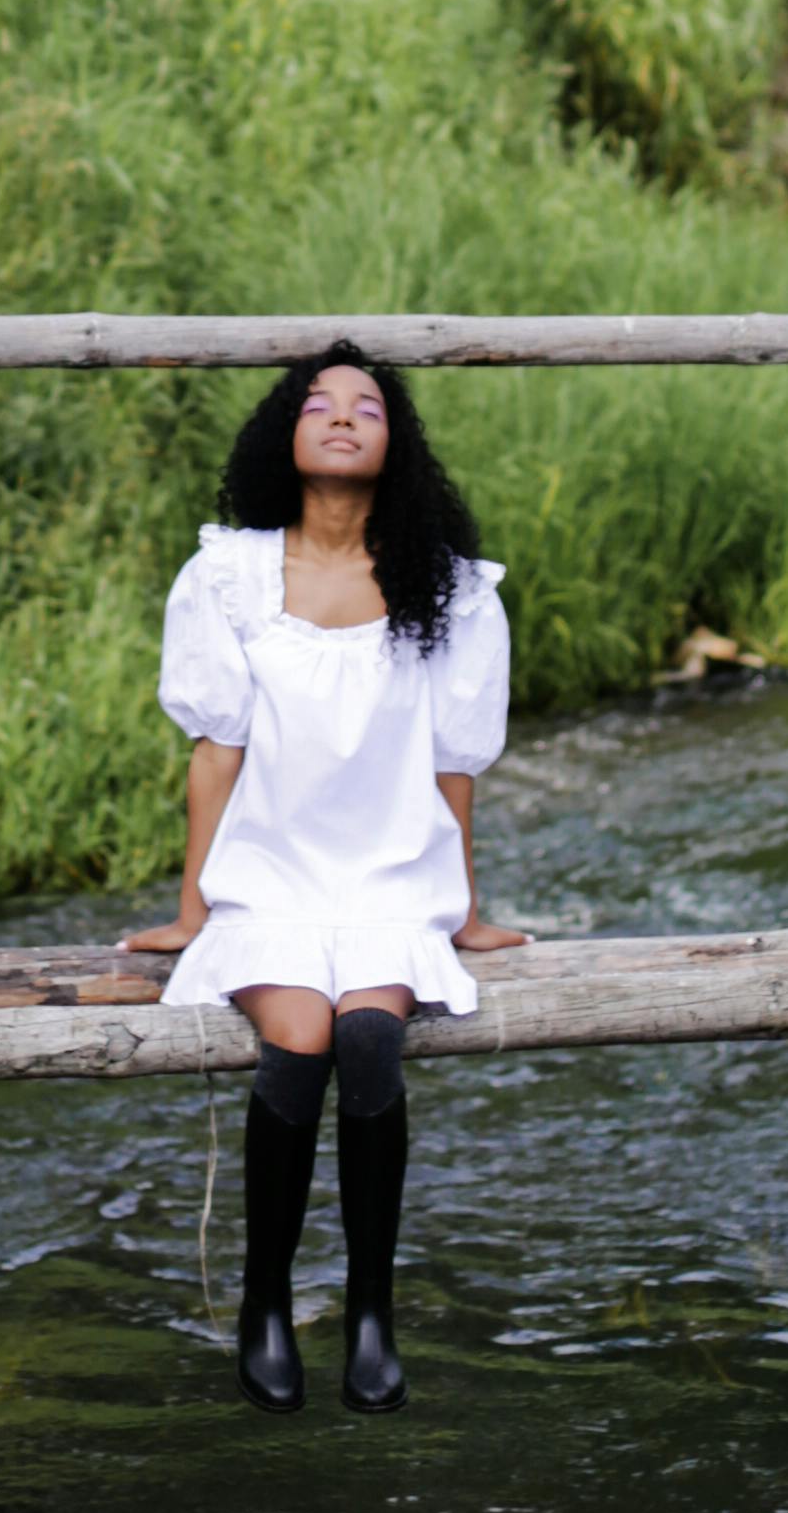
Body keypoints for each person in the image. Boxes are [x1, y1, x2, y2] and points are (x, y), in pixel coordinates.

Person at [118, 343, 523, 1413]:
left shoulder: (448, 591)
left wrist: (466, 913)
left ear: (398, 447)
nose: (343, 417)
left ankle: (372, 1310)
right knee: (297, 1034)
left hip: (391, 878)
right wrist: (191, 912)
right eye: (319, 404)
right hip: (273, 879)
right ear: (284, 440)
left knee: (368, 1032)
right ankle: (262, 1303)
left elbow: (452, 764)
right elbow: (217, 752)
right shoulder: (230, 579)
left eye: (369, 407)